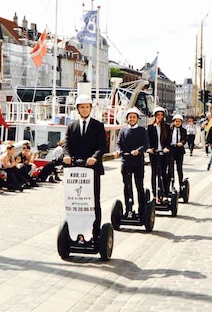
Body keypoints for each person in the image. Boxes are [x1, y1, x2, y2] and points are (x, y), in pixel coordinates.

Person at [63, 95, 108, 237]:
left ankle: (95, 231)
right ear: (77, 109)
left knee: (93, 200)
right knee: (76, 200)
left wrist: (94, 158)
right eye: (82, 107)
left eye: (87, 107)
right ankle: (76, 230)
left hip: (92, 169)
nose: (84, 109)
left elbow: (102, 146)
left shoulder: (98, 125)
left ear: (91, 108)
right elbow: (66, 144)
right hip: (75, 170)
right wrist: (66, 155)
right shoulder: (72, 125)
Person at [114, 107, 148, 216]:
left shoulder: (142, 131)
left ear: (137, 118)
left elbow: (145, 145)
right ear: (127, 118)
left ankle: (142, 209)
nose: (132, 119)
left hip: (138, 162)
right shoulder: (123, 130)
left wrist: (138, 151)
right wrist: (118, 151)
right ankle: (128, 209)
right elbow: (118, 144)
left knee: (139, 186)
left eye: (134, 117)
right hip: (126, 161)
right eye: (130, 117)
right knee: (127, 186)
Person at [147, 106, 171, 203]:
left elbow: (169, 140)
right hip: (154, 153)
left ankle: (165, 194)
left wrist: (166, 148)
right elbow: (147, 140)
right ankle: (154, 194)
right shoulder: (150, 127)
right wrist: (149, 148)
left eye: (161, 115)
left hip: (163, 153)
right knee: (154, 173)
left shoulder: (167, 127)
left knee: (163, 173)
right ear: (155, 116)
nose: (160, 117)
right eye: (158, 115)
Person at [169, 114, 187, 188]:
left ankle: (181, 184)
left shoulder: (183, 130)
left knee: (179, 168)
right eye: (176, 121)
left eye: (179, 121)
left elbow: (185, 139)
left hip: (179, 150)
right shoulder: (170, 130)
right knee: (170, 168)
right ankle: (171, 184)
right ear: (173, 122)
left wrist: (182, 143)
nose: (177, 123)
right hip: (171, 150)